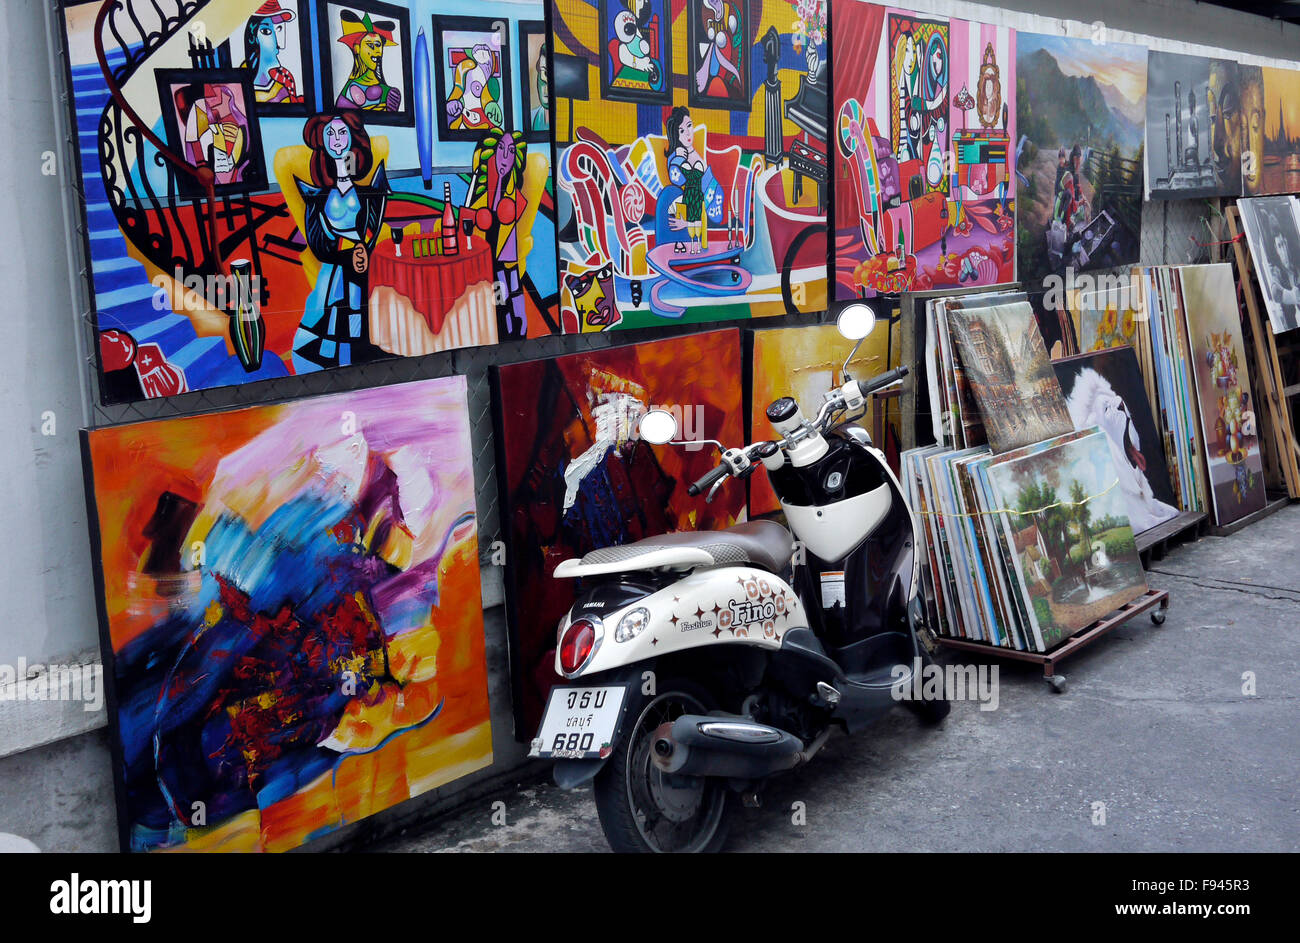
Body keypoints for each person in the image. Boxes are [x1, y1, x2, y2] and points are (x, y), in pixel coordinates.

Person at [293, 112, 388, 372]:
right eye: (330, 134)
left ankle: (359, 352)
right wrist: (347, 251)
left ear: (352, 139)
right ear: (322, 143)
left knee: (361, 310)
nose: (337, 139)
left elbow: (371, 229)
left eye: (342, 132)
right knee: (332, 311)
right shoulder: (318, 196)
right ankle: (337, 356)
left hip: (361, 263)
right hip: (335, 266)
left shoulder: (367, 193)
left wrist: (362, 251)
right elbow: (318, 240)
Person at [470, 129, 529, 338]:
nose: (505, 156)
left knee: (513, 289)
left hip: (507, 253)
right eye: (501, 149)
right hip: (492, 257)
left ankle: (519, 326)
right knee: (500, 294)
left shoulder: (513, 192)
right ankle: (505, 324)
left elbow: (516, 210)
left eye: (511, 151)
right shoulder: (484, 190)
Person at [335, 10, 401, 112]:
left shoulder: (389, 93)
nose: (376, 51)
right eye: (370, 45)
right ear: (357, 49)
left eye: (378, 45)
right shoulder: (349, 89)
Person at [242, 0, 302, 105]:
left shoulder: (284, 82)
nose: (278, 43)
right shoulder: (238, 81)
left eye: (279, 29)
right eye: (266, 31)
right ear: (252, 37)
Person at [665, 106, 707, 254]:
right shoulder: (678, 156)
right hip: (685, 200)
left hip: (696, 200)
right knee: (672, 200)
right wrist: (677, 157)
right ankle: (679, 241)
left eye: (689, 126)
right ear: (677, 135)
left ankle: (691, 242)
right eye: (682, 130)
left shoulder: (698, 158)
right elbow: (676, 179)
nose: (688, 133)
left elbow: (704, 182)